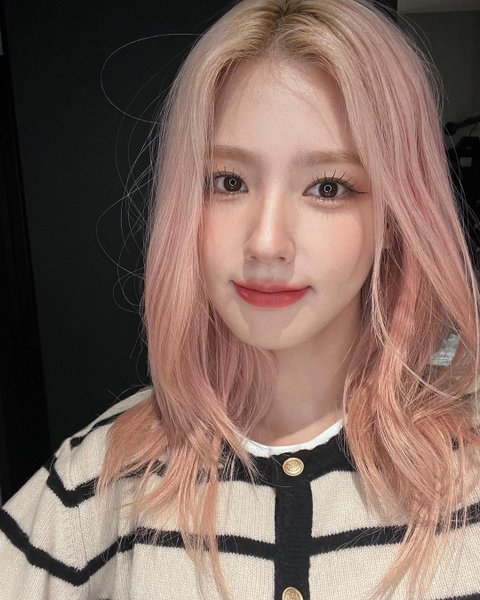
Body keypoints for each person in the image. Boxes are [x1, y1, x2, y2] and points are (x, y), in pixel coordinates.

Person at [1, 0, 480, 598]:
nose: (266, 243)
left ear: (395, 215)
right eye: (228, 182)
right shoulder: (99, 478)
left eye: (328, 187)